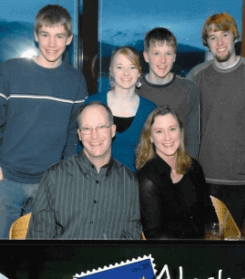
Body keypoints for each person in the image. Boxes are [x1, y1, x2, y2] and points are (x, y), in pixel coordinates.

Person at [0, 4, 88, 238]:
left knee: (36, 260)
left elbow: (72, 134)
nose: (52, 43)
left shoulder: (75, 81)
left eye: (59, 36)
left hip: (48, 186)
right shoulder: (9, 71)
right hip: (7, 180)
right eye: (46, 35)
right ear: (36, 36)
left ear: (69, 39)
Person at [186, 12, 245, 229]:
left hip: (240, 176)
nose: (220, 42)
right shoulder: (195, 76)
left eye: (225, 34)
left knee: (231, 240)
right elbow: (186, 125)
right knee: (202, 239)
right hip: (202, 176)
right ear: (207, 43)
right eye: (213, 37)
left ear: (235, 36)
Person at [27, 102, 142, 239]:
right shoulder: (54, 177)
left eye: (100, 127)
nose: (94, 136)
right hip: (63, 260)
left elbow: (131, 237)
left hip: (108, 260)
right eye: (87, 128)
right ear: (79, 135)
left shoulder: (129, 182)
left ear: (112, 130)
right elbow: (39, 238)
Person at [135, 107, 217, 239]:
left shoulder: (194, 166)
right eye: (159, 131)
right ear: (150, 138)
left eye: (172, 129)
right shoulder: (147, 178)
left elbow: (208, 211)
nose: (167, 137)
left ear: (180, 132)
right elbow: (156, 235)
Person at [80, 46, 156, 172]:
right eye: (119, 67)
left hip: (135, 185)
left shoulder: (150, 110)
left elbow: (153, 157)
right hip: (95, 183)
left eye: (132, 67)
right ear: (111, 71)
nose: (126, 73)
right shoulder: (91, 104)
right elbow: (79, 149)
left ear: (139, 72)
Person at [136, 27, 200, 159]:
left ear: (174, 57)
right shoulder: (135, 89)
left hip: (179, 167)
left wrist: (189, 170)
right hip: (142, 168)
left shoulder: (189, 89)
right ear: (146, 56)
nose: (163, 60)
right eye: (157, 53)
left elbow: (193, 137)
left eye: (168, 53)